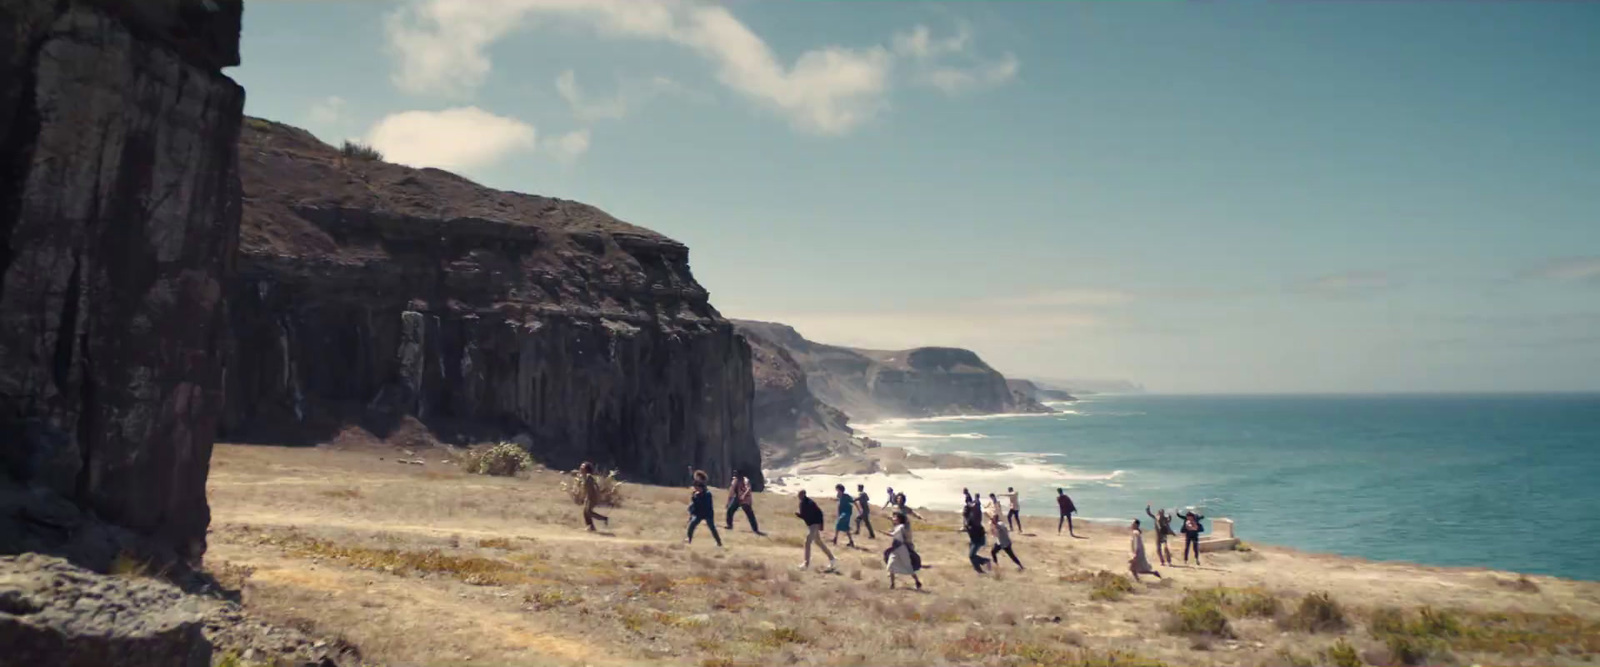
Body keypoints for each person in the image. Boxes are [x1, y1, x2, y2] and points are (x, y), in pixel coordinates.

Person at [795, 490, 836, 571]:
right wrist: (799, 515)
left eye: (800, 495)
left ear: (803, 494)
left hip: (815, 524)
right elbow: (805, 515)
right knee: (818, 542)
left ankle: (806, 564)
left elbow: (819, 513)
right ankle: (832, 558)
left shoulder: (810, 503)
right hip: (811, 525)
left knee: (808, 542)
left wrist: (821, 525)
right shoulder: (802, 504)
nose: (798, 496)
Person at [883, 512, 922, 590]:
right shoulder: (897, 526)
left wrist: (884, 532)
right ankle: (892, 585)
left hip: (901, 549)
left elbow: (893, 534)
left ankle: (917, 581)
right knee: (891, 565)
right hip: (895, 549)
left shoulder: (901, 527)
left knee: (908, 566)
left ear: (899, 519)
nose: (893, 518)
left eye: (895, 517)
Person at [685, 471, 722, 547]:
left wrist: (696, 498)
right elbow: (694, 505)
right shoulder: (695, 494)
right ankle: (689, 539)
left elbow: (705, 505)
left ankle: (719, 542)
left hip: (707, 513)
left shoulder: (707, 494)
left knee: (712, 528)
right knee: (691, 526)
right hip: (699, 513)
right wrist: (692, 511)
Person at [962, 497, 991, 573]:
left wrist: (975, 502)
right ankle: (982, 564)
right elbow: (967, 524)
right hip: (974, 538)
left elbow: (976, 508)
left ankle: (982, 567)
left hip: (978, 539)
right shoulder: (968, 517)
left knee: (971, 555)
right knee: (972, 555)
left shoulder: (976, 515)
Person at [578, 462, 609, 531]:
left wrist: (598, 496)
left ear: (586, 469)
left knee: (588, 512)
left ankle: (604, 519)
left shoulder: (589, 477)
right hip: (588, 497)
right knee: (585, 512)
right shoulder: (584, 476)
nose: (580, 468)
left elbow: (595, 486)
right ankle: (591, 527)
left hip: (592, 497)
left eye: (582, 467)